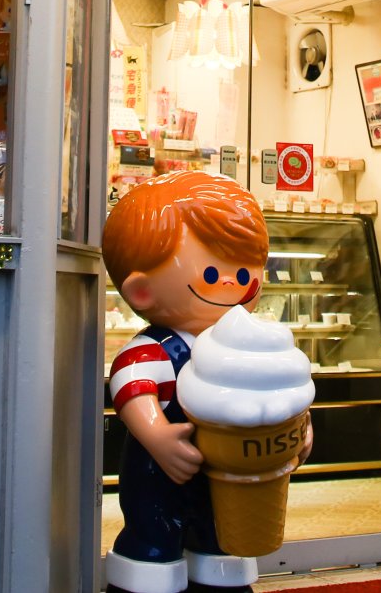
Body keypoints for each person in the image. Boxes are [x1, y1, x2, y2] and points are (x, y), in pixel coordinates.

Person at [101, 171, 300, 593]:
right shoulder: (157, 349)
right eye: (212, 275)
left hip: (224, 476)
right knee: (153, 540)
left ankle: (220, 581)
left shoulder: (248, 345)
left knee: (221, 541)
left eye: (245, 273)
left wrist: (295, 433)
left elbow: (282, 392)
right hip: (160, 472)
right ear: (141, 292)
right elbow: (131, 387)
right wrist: (157, 436)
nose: (235, 284)